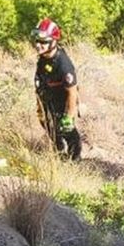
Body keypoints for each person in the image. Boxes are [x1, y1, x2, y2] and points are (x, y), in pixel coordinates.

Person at [33, 18, 81, 161]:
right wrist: (40, 105)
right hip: (47, 98)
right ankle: (59, 152)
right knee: (48, 126)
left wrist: (69, 115)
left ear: (54, 41)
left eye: (43, 42)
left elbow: (72, 91)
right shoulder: (44, 57)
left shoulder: (63, 64)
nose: (38, 45)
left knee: (67, 130)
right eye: (37, 40)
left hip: (62, 101)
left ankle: (75, 160)